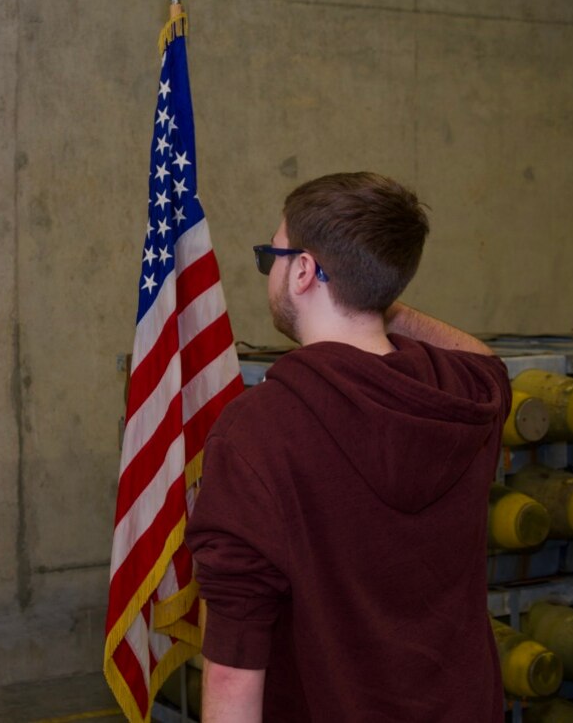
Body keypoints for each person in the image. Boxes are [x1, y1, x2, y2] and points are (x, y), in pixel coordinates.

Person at [185, 172, 509, 722]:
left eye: (274, 256)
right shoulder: (470, 395)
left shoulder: (255, 432)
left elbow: (232, 668)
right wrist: (375, 293)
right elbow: (481, 356)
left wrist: (367, 289)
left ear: (304, 270)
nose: (272, 273)